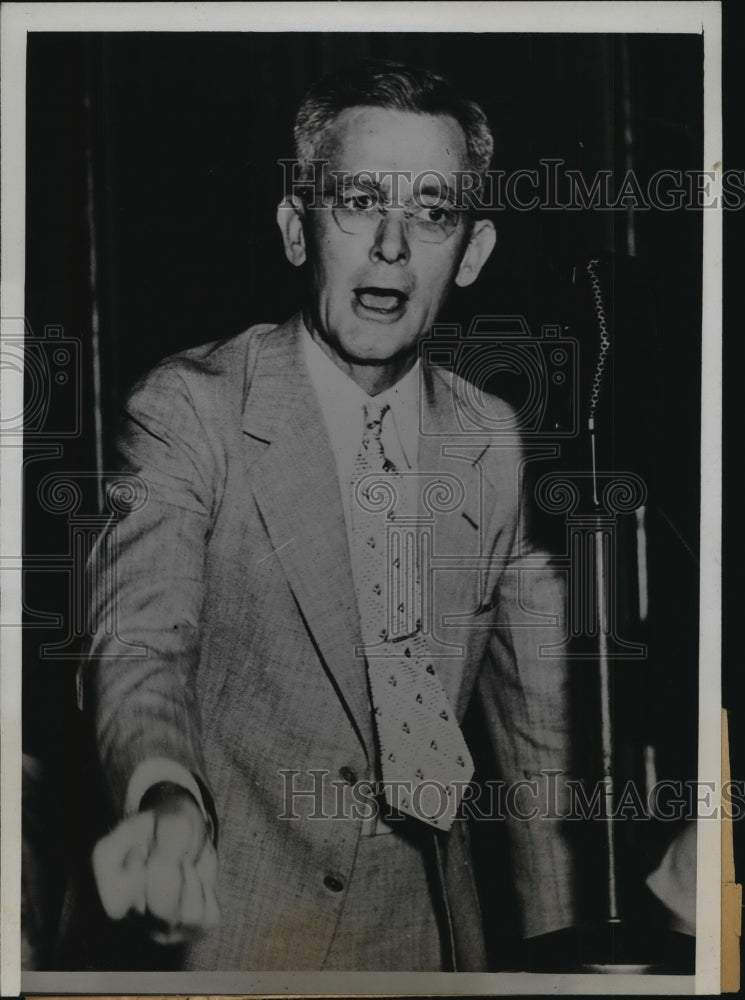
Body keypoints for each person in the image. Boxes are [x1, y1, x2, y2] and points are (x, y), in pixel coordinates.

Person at [84, 59, 577, 971]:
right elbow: (140, 641)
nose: (390, 245)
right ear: (296, 228)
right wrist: (164, 796)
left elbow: (533, 727)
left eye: (431, 211)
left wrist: (566, 944)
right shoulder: (191, 409)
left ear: (470, 252)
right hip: (236, 940)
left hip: (431, 951)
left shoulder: (490, 439)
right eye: (356, 200)